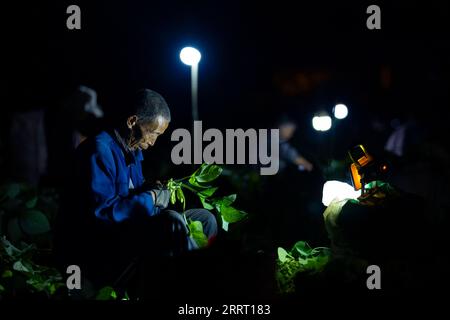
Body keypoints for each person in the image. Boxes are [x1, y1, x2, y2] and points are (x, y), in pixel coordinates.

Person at [54, 89, 217, 294]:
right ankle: (195, 289)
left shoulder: (133, 150)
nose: (154, 141)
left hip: (124, 233)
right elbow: (102, 214)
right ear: (132, 121)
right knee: (172, 221)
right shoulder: (99, 150)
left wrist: (152, 189)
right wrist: (151, 198)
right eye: (154, 133)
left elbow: (131, 195)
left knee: (204, 218)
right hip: (96, 247)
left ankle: (194, 280)